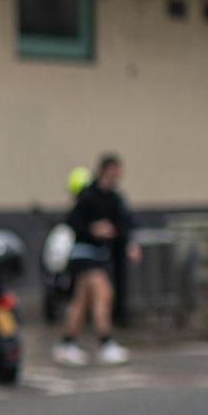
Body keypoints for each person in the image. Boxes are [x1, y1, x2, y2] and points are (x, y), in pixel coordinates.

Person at [54, 154, 139, 366]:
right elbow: (72, 222)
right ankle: (105, 343)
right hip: (84, 254)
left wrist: (127, 241)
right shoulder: (88, 196)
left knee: (81, 301)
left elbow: (125, 223)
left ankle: (67, 343)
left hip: (99, 254)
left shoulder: (114, 198)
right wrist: (93, 229)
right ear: (104, 171)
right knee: (104, 293)